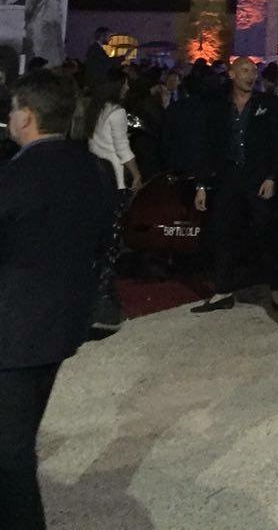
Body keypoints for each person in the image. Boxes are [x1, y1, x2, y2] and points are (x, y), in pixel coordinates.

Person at [0, 70, 111, 530]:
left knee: (9, 451)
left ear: (27, 116)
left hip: (14, 329)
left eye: (12, 109)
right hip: (60, 323)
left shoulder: (19, 175)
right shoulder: (93, 169)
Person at [191, 56, 278, 314]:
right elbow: (207, 145)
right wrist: (202, 184)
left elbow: (276, 143)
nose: (251, 76)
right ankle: (223, 290)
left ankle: (275, 291)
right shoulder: (218, 106)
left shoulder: (267, 104)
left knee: (266, 234)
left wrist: (271, 176)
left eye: (254, 71)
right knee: (223, 233)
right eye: (245, 70)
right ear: (231, 74)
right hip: (227, 177)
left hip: (257, 178)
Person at [83, 72, 141, 325]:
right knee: (112, 241)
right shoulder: (117, 112)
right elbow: (122, 148)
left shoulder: (95, 109)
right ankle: (103, 297)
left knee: (99, 238)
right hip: (114, 178)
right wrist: (136, 174)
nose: (127, 88)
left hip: (95, 176)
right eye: (125, 83)